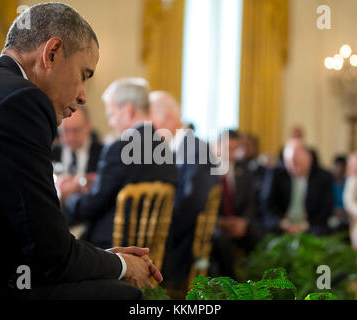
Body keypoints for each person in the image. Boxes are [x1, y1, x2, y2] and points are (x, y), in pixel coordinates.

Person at [0, 3, 161, 299]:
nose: (83, 96)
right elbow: (48, 253)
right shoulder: (20, 100)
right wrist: (121, 264)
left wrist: (101, 259)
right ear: (51, 53)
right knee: (123, 294)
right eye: (84, 75)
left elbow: (29, 236)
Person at [63, 79, 178, 249]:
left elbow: (91, 206)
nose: (111, 122)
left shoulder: (120, 149)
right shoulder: (165, 149)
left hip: (113, 248)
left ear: (128, 110)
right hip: (152, 249)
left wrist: (68, 198)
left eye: (111, 114)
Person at [149, 91, 219, 287]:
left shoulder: (197, 150)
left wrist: (160, 230)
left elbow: (194, 203)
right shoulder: (170, 150)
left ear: (170, 118)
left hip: (180, 249)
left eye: (151, 121)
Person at [210, 130, 264, 278]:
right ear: (218, 147)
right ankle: (231, 284)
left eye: (236, 149)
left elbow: (251, 204)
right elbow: (202, 207)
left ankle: (256, 282)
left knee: (259, 236)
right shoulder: (207, 170)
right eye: (228, 149)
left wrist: (243, 222)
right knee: (222, 241)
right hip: (215, 226)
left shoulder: (244, 169)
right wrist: (221, 222)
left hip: (238, 224)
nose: (232, 154)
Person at [260, 139, 333, 236]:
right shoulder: (276, 174)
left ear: (309, 159)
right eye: (290, 163)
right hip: (282, 224)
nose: (295, 168)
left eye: (299, 162)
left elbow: (326, 209)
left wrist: (305, 225)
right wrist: (283, 223)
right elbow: (267, 204)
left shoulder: (324, 177)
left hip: (311, 225)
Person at [328, 155, 350, 234]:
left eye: (342, 167)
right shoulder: (328, 182)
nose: (339, 170)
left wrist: (346, 212)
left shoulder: (349, 182)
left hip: (347, 216)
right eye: (337, 167)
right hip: (332, 215)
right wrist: (334, 211)